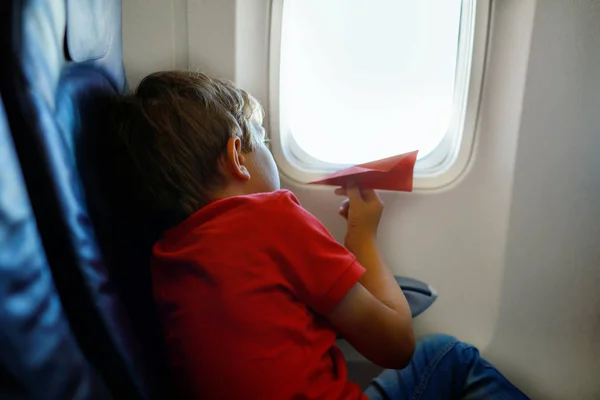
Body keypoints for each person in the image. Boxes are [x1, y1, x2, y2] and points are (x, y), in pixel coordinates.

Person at [111, 70, 528, 399]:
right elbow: (397, 346)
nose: (269, 151)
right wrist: (362, 235)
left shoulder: (166, 257)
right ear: (237, 156)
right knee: (447, 356)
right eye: (265, 142)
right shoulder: (270, 217)